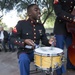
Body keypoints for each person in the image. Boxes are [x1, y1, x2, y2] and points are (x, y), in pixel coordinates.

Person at [10, 4, 55, 75]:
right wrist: (24, 41)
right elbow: (12, 39)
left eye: (39, 10)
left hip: (37, 52)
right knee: (23, 60)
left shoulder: (40, 26)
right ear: (29, 13)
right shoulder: (21, 24)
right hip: (24, 52)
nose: (39, 12)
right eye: (36, 10)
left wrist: (49, 42)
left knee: (50, 57)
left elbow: (44, 41)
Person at [53, 0, 75, 75]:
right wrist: (73, 18)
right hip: (60, 26)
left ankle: (71, 65)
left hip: (70, 26)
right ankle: (59, 71)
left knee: (71, 47)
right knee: (59, 50)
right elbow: (58, 12)